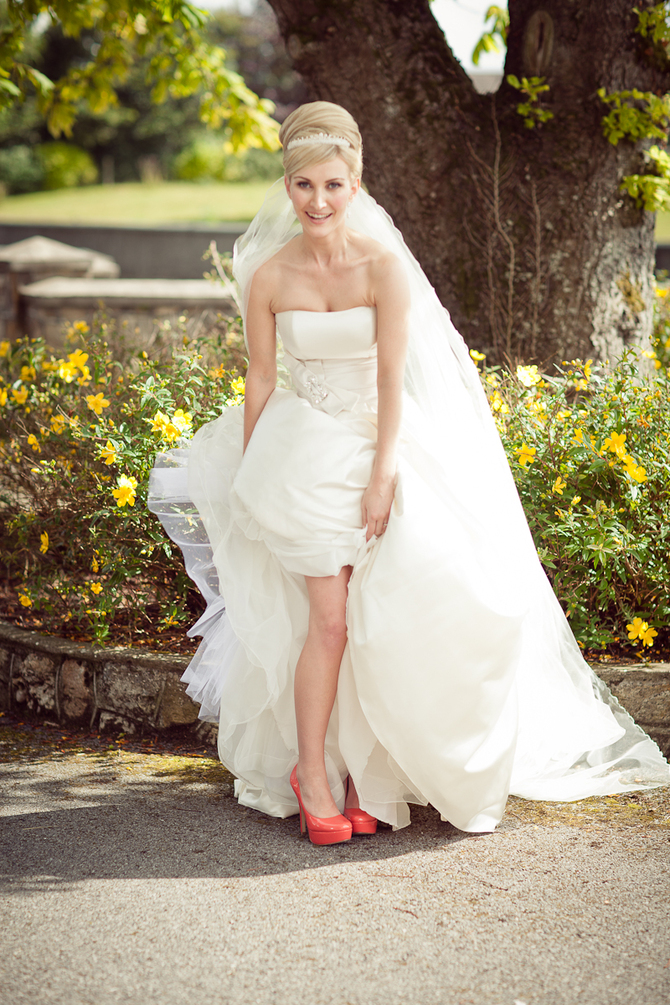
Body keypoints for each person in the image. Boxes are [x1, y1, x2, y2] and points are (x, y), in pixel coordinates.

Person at [149, 101, 669, 845]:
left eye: (333, 185)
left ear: (356, 183)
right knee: (328, 622)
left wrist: (384, 473)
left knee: (397, 613)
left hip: (380, 447)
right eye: (304, 186)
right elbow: (261, 380)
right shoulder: (268, 276)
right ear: (287, 186)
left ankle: (372, 775)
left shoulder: (383, 269)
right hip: (301, 458)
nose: (319, 202)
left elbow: (394, 381)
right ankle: (314, 776)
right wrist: (254, 471)